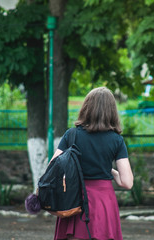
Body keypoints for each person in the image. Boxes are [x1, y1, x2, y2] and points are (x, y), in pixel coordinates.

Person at [51, 87, 134, 240]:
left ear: (86, 108)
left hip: (74, 200)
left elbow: (53, 167)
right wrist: (110, 170)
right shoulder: (117, 140)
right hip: (104, 201)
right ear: (112, 111)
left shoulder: (72, 134)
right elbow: (127, 183)